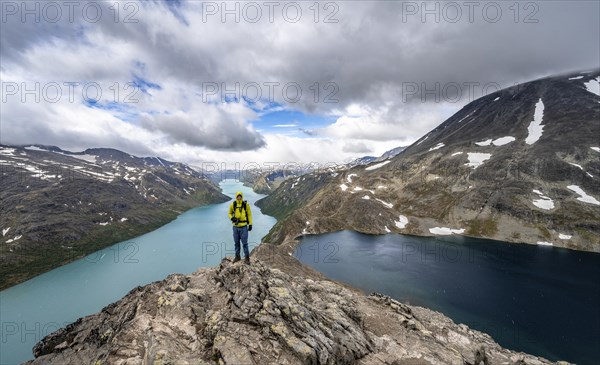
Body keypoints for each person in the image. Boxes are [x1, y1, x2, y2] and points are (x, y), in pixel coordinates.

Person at [228, 191, 253, 264]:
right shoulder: (233, 204)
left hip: (244, 227)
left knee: (245, 243)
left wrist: (250, 224)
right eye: (238, 196)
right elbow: (229, 213)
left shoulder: (246, 205)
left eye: (240, 196)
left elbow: (249, 215)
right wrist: (232, 218)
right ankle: (237, 256)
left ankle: (247, 258)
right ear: (236, 197)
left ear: (242, 197)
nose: (239, 197)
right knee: (236, 243)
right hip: (235, 227)